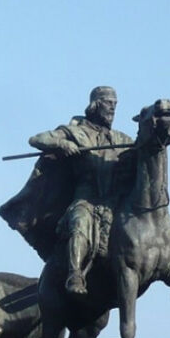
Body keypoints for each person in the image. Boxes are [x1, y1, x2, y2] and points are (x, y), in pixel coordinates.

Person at [26, 86, 134, 295]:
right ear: (95, 104)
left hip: (114, 200)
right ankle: (74, 274)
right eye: (108, 102)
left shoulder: (122, 139)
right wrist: (61, 143)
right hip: (87, 197)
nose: (113, 108)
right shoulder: (75, 131)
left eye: (115, 103)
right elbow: (36, 139)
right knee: (79, 222)